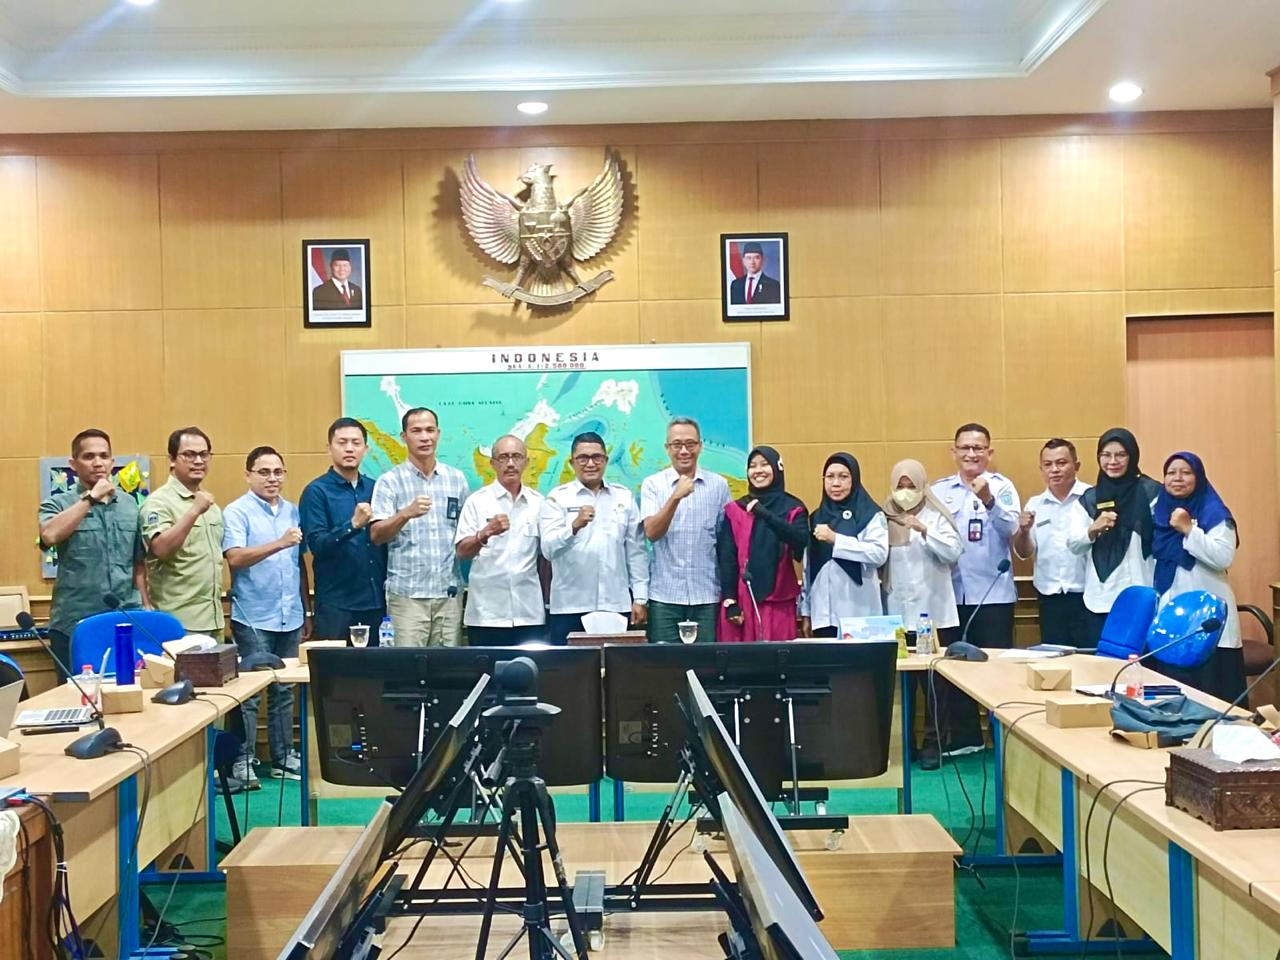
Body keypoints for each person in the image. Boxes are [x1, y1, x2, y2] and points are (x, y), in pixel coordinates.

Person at [928, 423, 1020, 759]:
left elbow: (1013, 529)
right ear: (953, 452)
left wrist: (989, 501)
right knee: (956, 670)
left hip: (993, 594)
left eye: (978, 448)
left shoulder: (1002, 486)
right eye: (965, 448)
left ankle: (1005, 739)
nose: (971, 454)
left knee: (996, 671)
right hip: (951, 594)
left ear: (989, 453)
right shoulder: (939, 490)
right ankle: (966, 738)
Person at [222, 447, 310, 788]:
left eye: (278, 472)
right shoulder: (237, 512)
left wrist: (306, 607)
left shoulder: (292, 510)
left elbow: (298, 563)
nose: (272, 478)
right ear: (248, 475)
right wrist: (279, 542)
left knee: (284, 690)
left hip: (290, 613)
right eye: (263, 472)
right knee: (250, 693)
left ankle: (283, 756)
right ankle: (243, 759)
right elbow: (235, 558)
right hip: (253, 615)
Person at [38, 429, 150, 678]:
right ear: (73, 464)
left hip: (123, 618)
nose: (98, 463)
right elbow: (49, 535)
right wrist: (90, 498)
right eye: (89, 457)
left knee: (128, 691)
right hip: (74, 623)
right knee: (77, 696)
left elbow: (138, 564)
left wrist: (146, 605)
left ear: (112, 461)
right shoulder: (58, 503)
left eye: (104, 456)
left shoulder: (130, 505)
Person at [370, 407, 470, 646]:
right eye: (416, 431)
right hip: (407, 597)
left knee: (447, 667)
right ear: (404, 437)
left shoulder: (456, 479)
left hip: (448, 595)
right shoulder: (389, 481)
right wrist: (405, 514)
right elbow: (376, 535)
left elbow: (466, 532)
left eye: (430, 430)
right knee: (406, 666)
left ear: (438, 434)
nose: (425, 437)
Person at [540, 432, 649, 647]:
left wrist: (640, 598)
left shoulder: (623, 497)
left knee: (617, 666)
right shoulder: (557, 498)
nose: (590, 464)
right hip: (570, 606)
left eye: (596, 457)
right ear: (572, 462)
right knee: (571, 667)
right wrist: (573, 526)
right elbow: (548, 550)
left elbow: (636, 552)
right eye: (583, 458)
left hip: (615, 604)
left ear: (606, 461)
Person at [1151, 452, 1244, 702]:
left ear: (1199, 477)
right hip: (1172, 616)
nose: (1177, 478)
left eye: (1186, 472)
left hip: (1208, 613)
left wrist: (1189, 530)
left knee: (1211, 692)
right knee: (1173, 691)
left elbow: (1224, 557)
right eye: (1171, 473)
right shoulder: (1159, 511)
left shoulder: (1215, 512)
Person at [1066, 428, 1161, 644]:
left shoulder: (1152, 493)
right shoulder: (1089, 499)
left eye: (1121, 455)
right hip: (1101, 598)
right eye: (1106, 455)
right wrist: (1093, 529)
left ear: (1132, 456)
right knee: (1102, 661)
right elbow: (1073, 544)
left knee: (1139, 661)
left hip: (1142, 594)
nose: (1113, 461)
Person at [640, 417, 731, 643]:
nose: (684, 451)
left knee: (706, 662)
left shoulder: (718, 485)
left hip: (707, 595)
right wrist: (675, 497)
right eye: (677, 444)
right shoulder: (653, 484)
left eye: (690, 444)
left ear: (700, 446)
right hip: (665, 597)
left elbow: (726, 542)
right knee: (665, 663)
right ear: (667, 448)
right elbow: (651, 533)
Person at [299, 418, 387, 643]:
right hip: (336, 604)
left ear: (366, 449)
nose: (349, 449)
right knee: (337, 665)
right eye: (342, 442)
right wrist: (352, 525)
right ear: (329, 448)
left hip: (376, 601)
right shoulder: (316, 491)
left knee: (378, 665)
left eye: (356, 443)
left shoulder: (376, 488)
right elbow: (317, 545)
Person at [455, 435, 546, 645]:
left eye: (516, 457)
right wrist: (485, 533)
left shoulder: (539, 503)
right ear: (493, 464)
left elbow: (549, 553)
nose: (510, 463)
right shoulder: (477, 502)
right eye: (503, 457)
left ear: (526, 462)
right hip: (487, 615)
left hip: (529, 613)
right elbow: (462, 552)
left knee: (529, 667)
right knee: (486, 668)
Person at [716, 446, 808, 642]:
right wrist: (730, 600)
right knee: (740, 660)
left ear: (777, 468)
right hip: (742, 601)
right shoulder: (735, 509)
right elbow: (727, 558)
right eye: (753, 466)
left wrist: (765, 515)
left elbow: (800, 541)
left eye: (765, 464)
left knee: (779, 657)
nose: (758, 471)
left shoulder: (794, 508)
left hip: (779, 600)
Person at [141, 427, 224, 636]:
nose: (198, 461)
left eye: (204, 454)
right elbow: (161, 549)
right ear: (171, 459)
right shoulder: (159, 502)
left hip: (213, 619)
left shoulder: (211, 505)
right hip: (178, 622)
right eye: (189, 455)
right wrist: (194, 511)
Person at [1012, 439, 1092, 647]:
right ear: (1041, 469)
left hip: (1087, 595)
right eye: (1048, 465)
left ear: (1076, 466)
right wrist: (1023, 531)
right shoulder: (1035, 504)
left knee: (1088, 658)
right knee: (1055, 658)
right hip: (1049, 597)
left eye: (1061, 463)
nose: (1054, 470)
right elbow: (1024, 553)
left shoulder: (1092, 498)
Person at [799, 453, 888, 637]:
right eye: (830, 477)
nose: (836, 483)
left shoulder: (870, 514)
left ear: (854, 479)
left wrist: (836, 539)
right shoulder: (816, 517)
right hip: (823, 616)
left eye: (843, 477)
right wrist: (806, 611)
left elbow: (878, 554)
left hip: (859, 613)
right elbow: (809, 569)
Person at [882, 459, 964, 642]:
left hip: (934, 608)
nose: (905, 493)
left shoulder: (936, 515)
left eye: (911, 486)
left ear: (922, 486)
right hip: (897, 608)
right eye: (900, 487)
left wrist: (926, 531)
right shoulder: (885, 516)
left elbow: (953, 552)